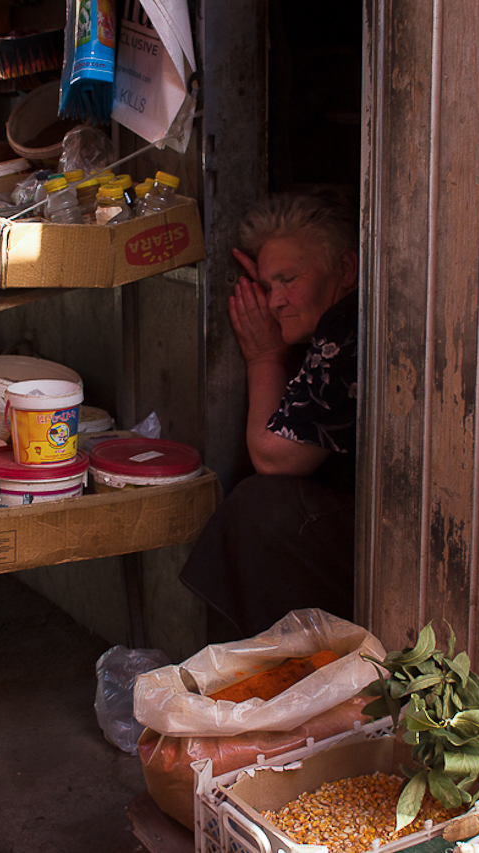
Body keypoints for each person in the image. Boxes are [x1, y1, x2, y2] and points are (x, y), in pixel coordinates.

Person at [179, 189, 360, 639]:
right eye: (264, 287)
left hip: (398, 545)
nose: (275, 301)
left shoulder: (346, 324)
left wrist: (263, 358)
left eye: (289, 279)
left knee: (261, 506)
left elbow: (276, 458)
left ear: (346, 269)